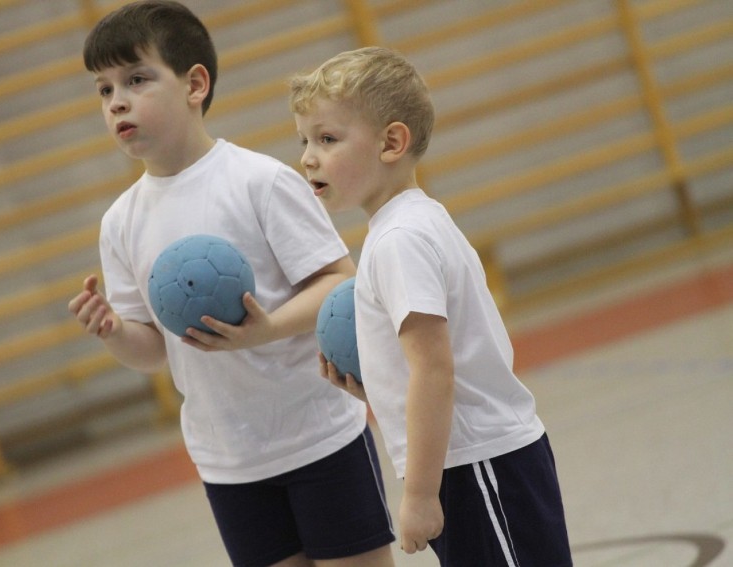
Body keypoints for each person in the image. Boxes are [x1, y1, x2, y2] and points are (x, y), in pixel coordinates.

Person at [68, 3, 396, 566]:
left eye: (137, 79)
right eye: (104, 89)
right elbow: (151, 351)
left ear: (196, 84)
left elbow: (338, 282)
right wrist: (114, 330)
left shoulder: (259, 181)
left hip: (319, 436)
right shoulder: (120, 222)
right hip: (228, 460)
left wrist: (264, 331)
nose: (117, 100)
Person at [290, 46, 572, 566]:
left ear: (392, 142)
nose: (308, 156)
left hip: (477, 464)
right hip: (471, 461)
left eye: (327, 139)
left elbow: (435, 368)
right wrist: (377, 382)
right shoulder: (406, 226)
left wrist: (420, 493)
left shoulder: (400, 239)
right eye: (305, 140)